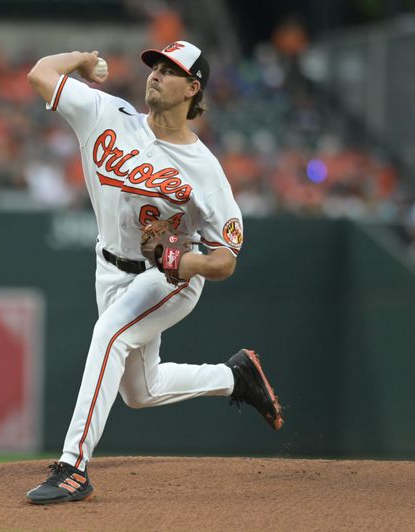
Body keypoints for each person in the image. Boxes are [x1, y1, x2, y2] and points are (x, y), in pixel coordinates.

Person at [24, 41, 283, 504]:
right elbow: (41, 72)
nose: (156, 74)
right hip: (109, 268)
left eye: (170, 70)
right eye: (155, 66)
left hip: (168, 278)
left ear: (193, 88)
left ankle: (73, 467)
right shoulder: (106, 113)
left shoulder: (205, 170)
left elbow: (226, 258)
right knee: (142, 391)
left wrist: (188, 263)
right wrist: (82, 60)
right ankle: (235, 377)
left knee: (109, 334)